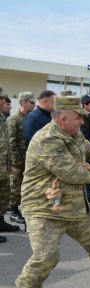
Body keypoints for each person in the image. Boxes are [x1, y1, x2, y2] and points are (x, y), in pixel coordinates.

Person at [15, 92, 90, 288]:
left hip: (73, 205)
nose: (82, 120)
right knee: (46, 257)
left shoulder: (74, 135)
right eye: (78, 117)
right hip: (45, 208)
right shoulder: (47, 138)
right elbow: (71, 173)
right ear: (63, 118)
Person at [7, 92, 36, 224]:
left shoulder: (30, 118)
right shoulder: (14, 119)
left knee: (26, 186)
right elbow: (11, 141)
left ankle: (21, 209)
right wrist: (15, 159)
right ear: (23, 102)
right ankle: (13, 210)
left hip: (28, 158)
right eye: (31, 102)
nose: (34, 105)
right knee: (16, 186)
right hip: (18, 160)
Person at [0, 90, 19, 241]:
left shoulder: (1, 116)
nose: (2, 101)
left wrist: (9, 162)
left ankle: (1, 222)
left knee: (4, 196)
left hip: (3, 165)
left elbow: (6, 142)